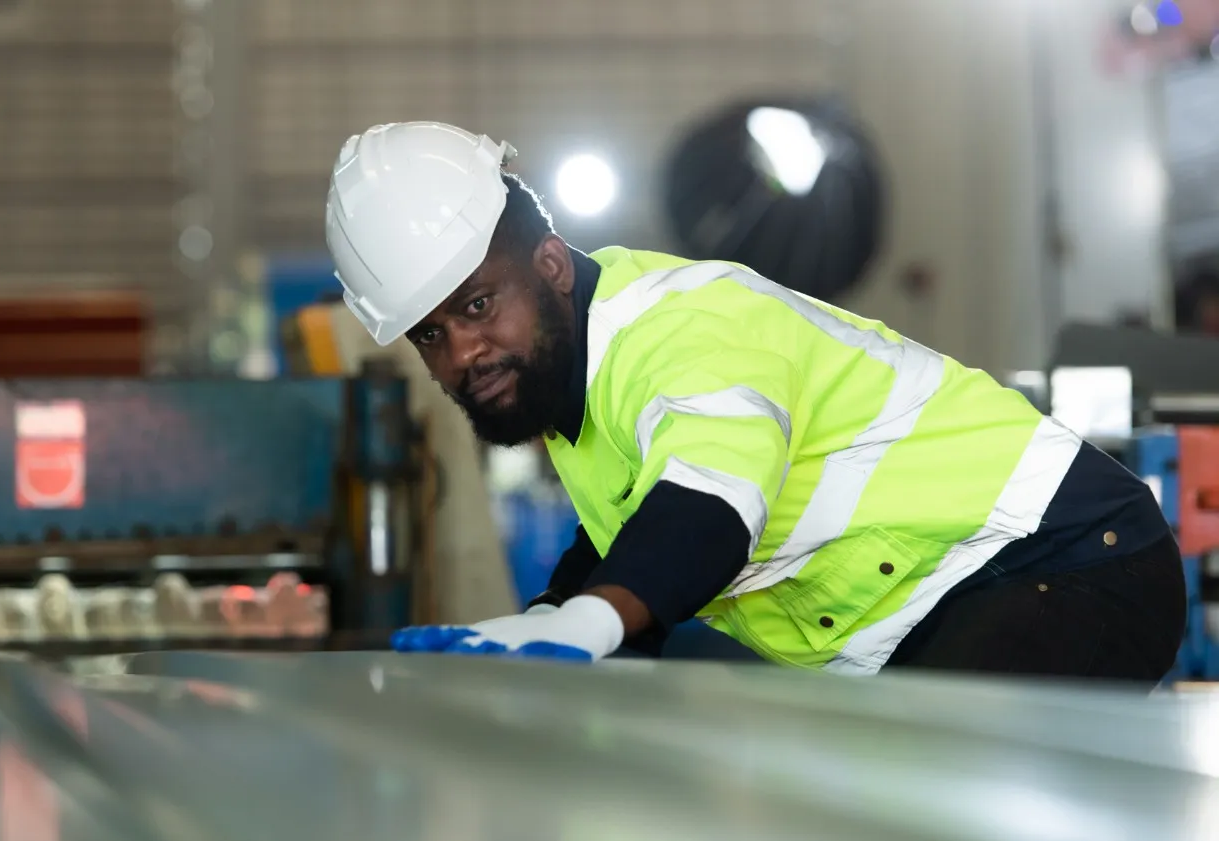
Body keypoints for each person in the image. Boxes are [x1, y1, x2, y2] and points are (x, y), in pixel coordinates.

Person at [325, 121, 1185, 682]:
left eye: (477, 306)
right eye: (429, 335)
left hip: (1059, 558)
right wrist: (542, 629)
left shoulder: (682, 327)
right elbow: (626, 539)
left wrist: (589, 623)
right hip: (943, 611)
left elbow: (708, 502)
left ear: (550, 266)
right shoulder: (580, 396)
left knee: (935, 838)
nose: (463, 353)